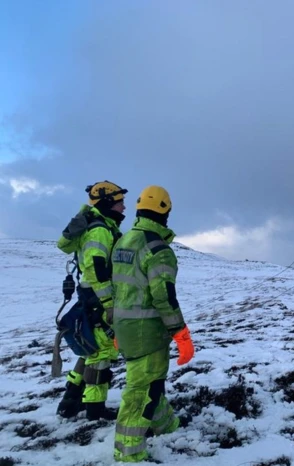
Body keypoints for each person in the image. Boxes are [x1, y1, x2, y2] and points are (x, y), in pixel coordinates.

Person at [111, 185, 195, 463]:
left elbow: (116, 289)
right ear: (165, 210)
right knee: (141, 391)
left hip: (124, 328)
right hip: (147, 333)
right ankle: (129, 453)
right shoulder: (159, 250)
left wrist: (114, 326)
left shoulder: (123, 242)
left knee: (151, 382)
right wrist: (181, 334)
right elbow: (164, 299)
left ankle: (164, 425)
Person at [56, 181, 127, 421]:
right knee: (101, 354)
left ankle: (70, 402)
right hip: (98, 298)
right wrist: (109, 305)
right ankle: (95, 409)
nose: (124, 208)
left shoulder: (100, 226)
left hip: (90, 298)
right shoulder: (100, 231)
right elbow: (97, 271)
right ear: (108, 203)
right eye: (119, 203)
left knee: (90, 352)